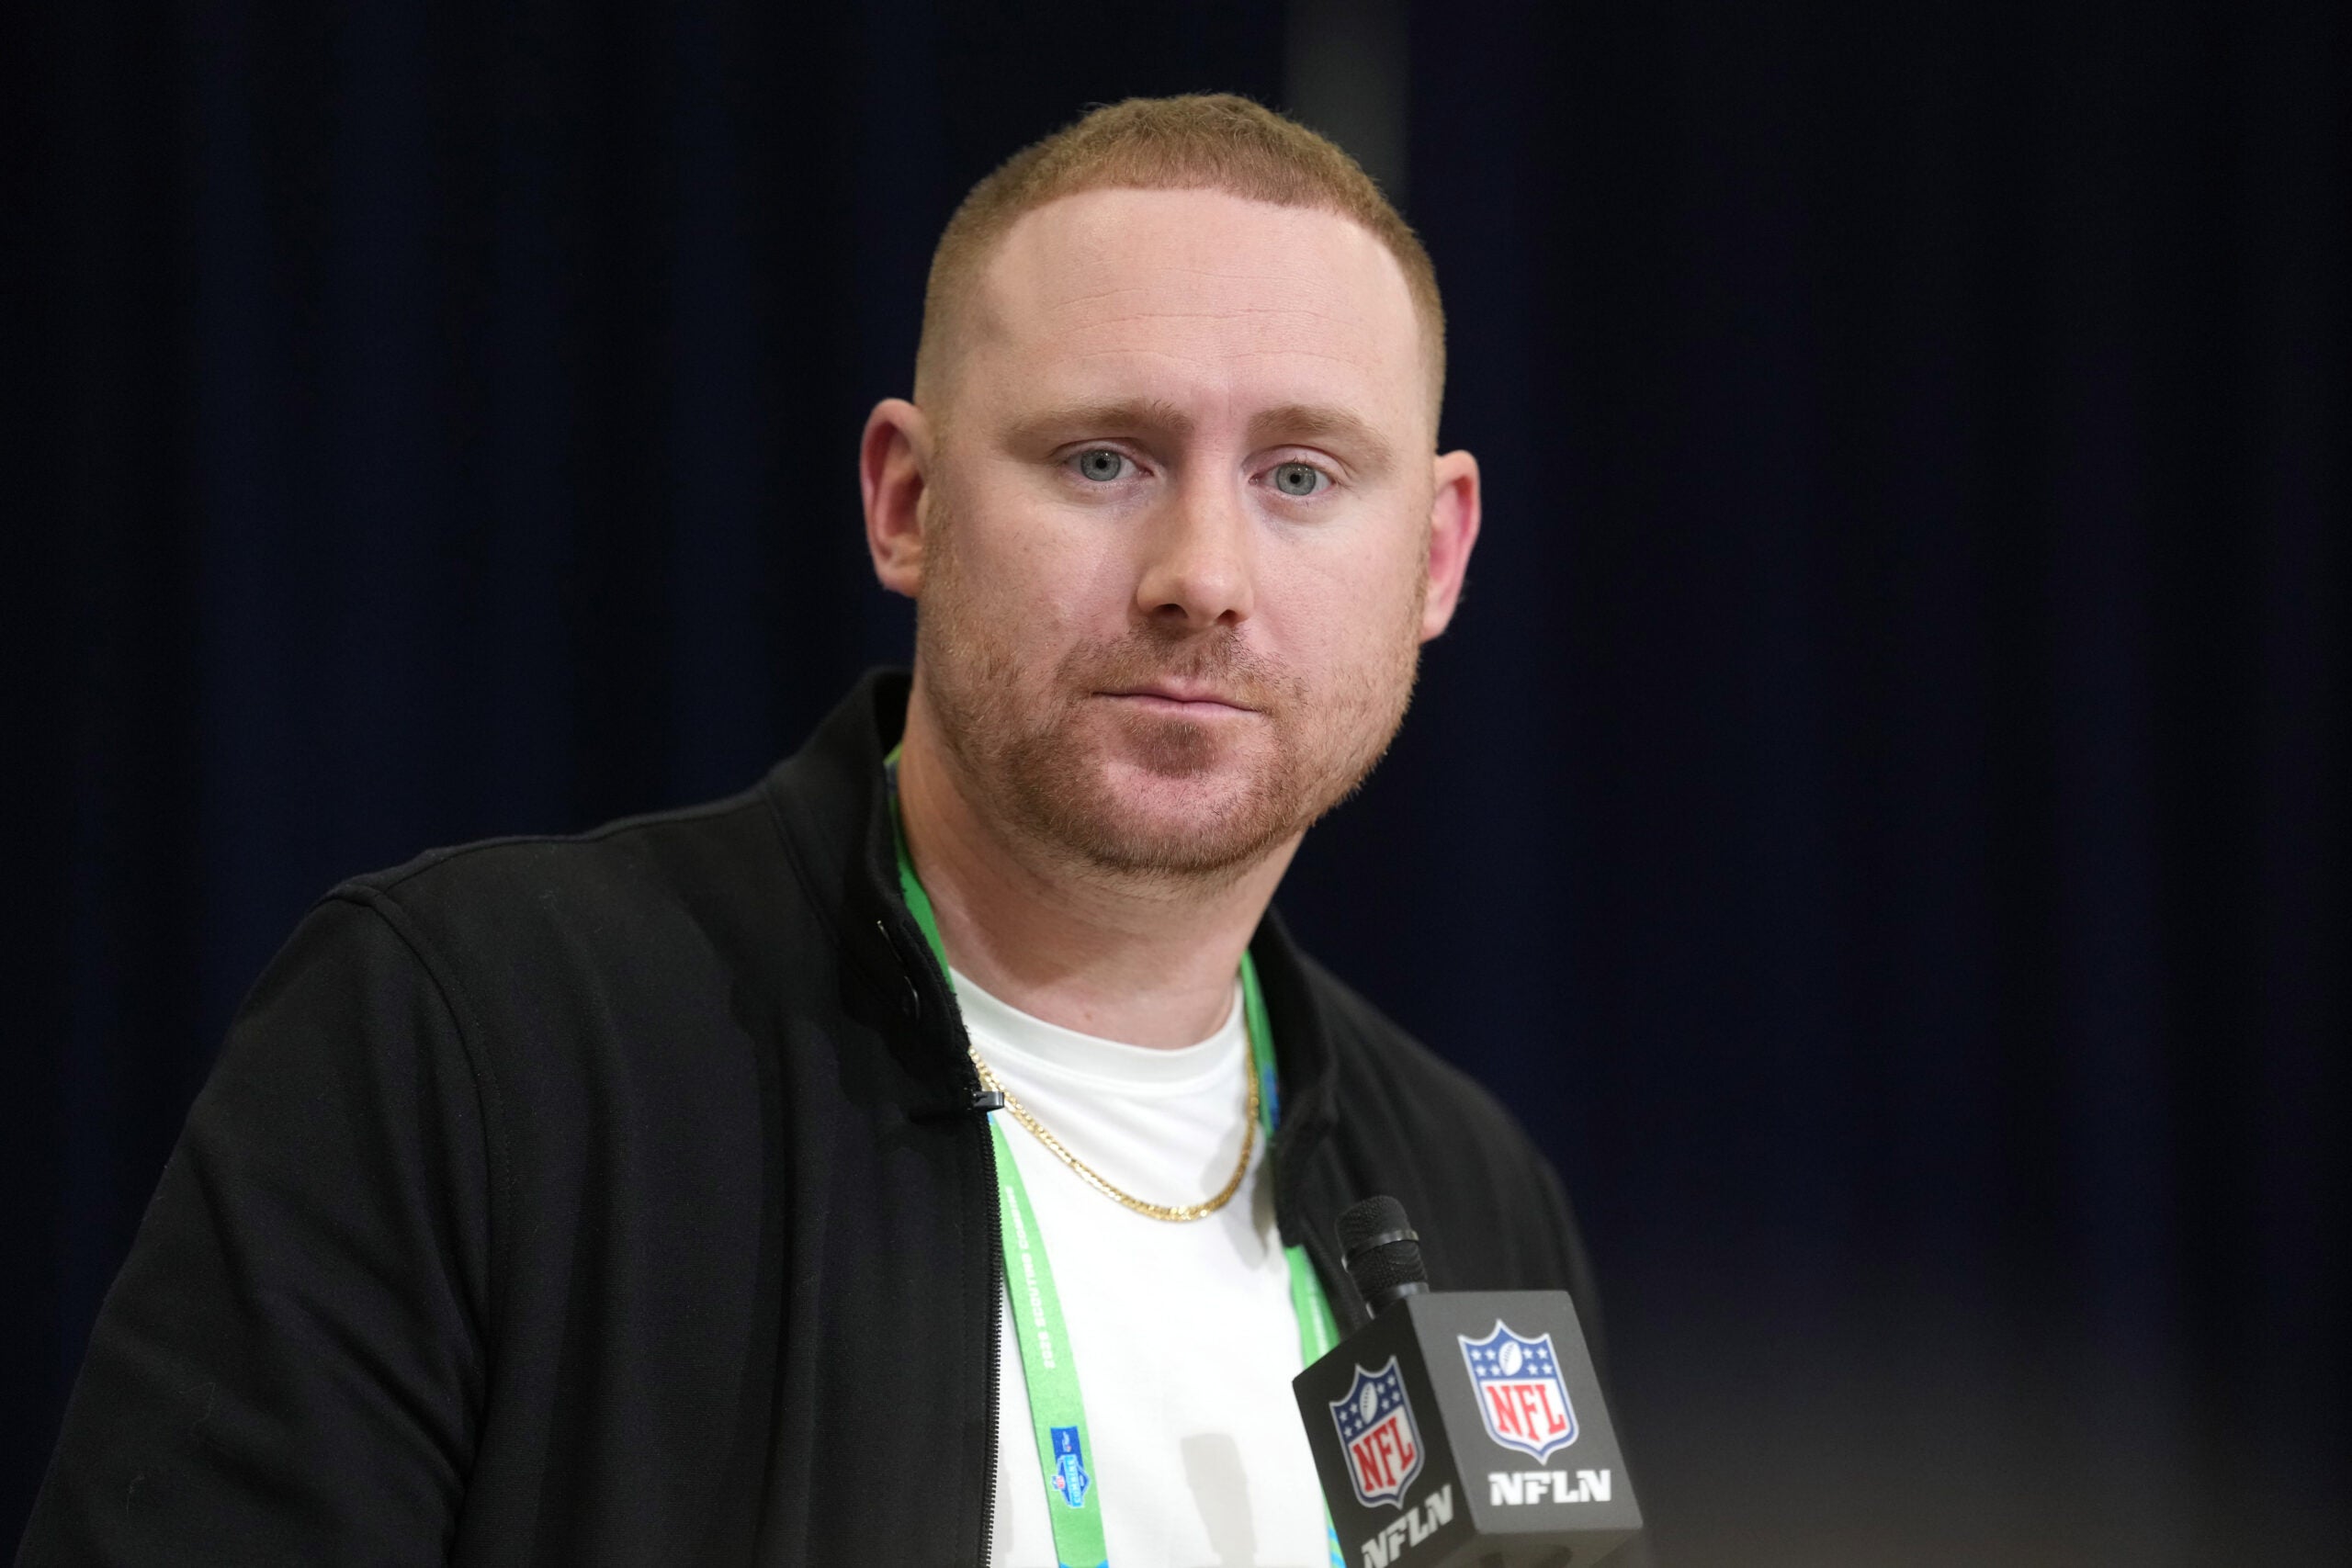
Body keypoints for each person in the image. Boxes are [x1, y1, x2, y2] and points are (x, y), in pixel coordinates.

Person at [18, 94, 1606, 1567]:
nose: (1202, 571)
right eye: (1103, 459)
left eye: (1304, 475)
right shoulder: (465, 1050)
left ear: (1437, 555)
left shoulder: (1472, 1194)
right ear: (906, 503)